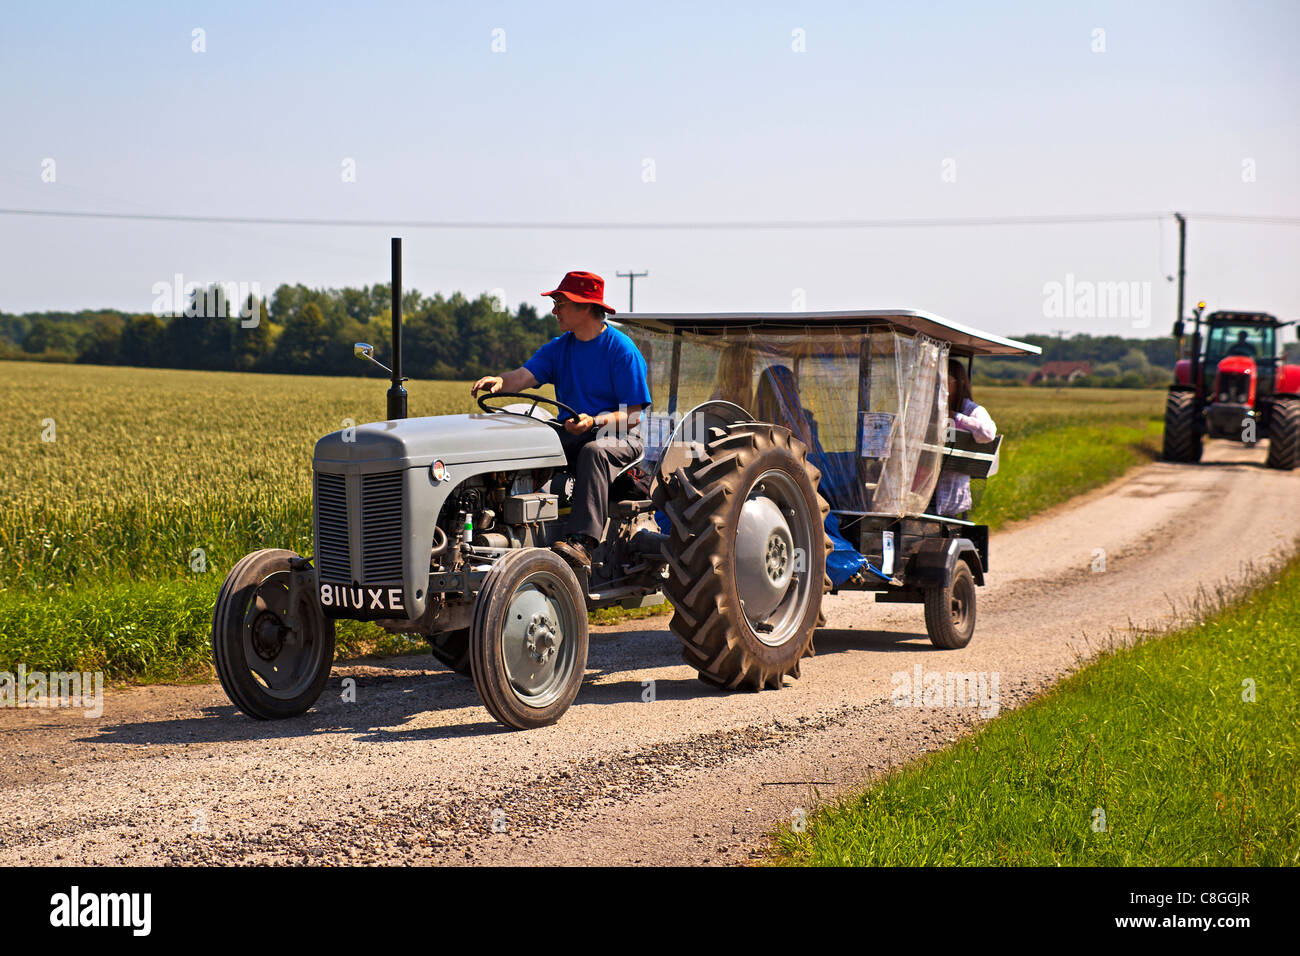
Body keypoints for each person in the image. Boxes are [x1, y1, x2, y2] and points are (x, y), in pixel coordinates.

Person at [471, 271, 652, 571]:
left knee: (593, 451)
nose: (554, 310)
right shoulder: (559, 348)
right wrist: (500, 382)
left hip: (619, 437)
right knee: (531, 441)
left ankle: (583, 542)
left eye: (561, 302)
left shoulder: (621, 350)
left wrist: (594, 421)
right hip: (572, 431)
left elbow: (633, 415)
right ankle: (503, 522)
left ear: (585, 307)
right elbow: (523, 376)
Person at [933, 357, 996, 518]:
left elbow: (988, 433)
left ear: (959, 383)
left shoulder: (971, 409)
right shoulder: (932, 407)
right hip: (926, 488)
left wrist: (957, 417)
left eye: (946, 381)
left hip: (951, 491)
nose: (940, 387)